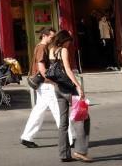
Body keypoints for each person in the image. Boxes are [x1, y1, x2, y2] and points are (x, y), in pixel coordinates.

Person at [47, 30, 90, 163]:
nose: (69, 45)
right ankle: (80, 151)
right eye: (68, 42)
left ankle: (64, 154)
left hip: (58, 88)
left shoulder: (51, 50)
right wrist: (78, 85)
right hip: (68, 89)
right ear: (64, 40)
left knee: (63, 122)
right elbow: (67, 69)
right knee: (83, 116)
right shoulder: (63, 51)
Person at [20, 27, 60, 149]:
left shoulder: (39, 46)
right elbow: (42, 69)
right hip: (46, 85)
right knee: (59, 111)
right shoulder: (42, 48)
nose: (52, 39)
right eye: (51, 37)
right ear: (45, 35)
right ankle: (70, 137)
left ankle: (27, 137)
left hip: (42, 85)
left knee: (38, 111)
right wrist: (53, 81)